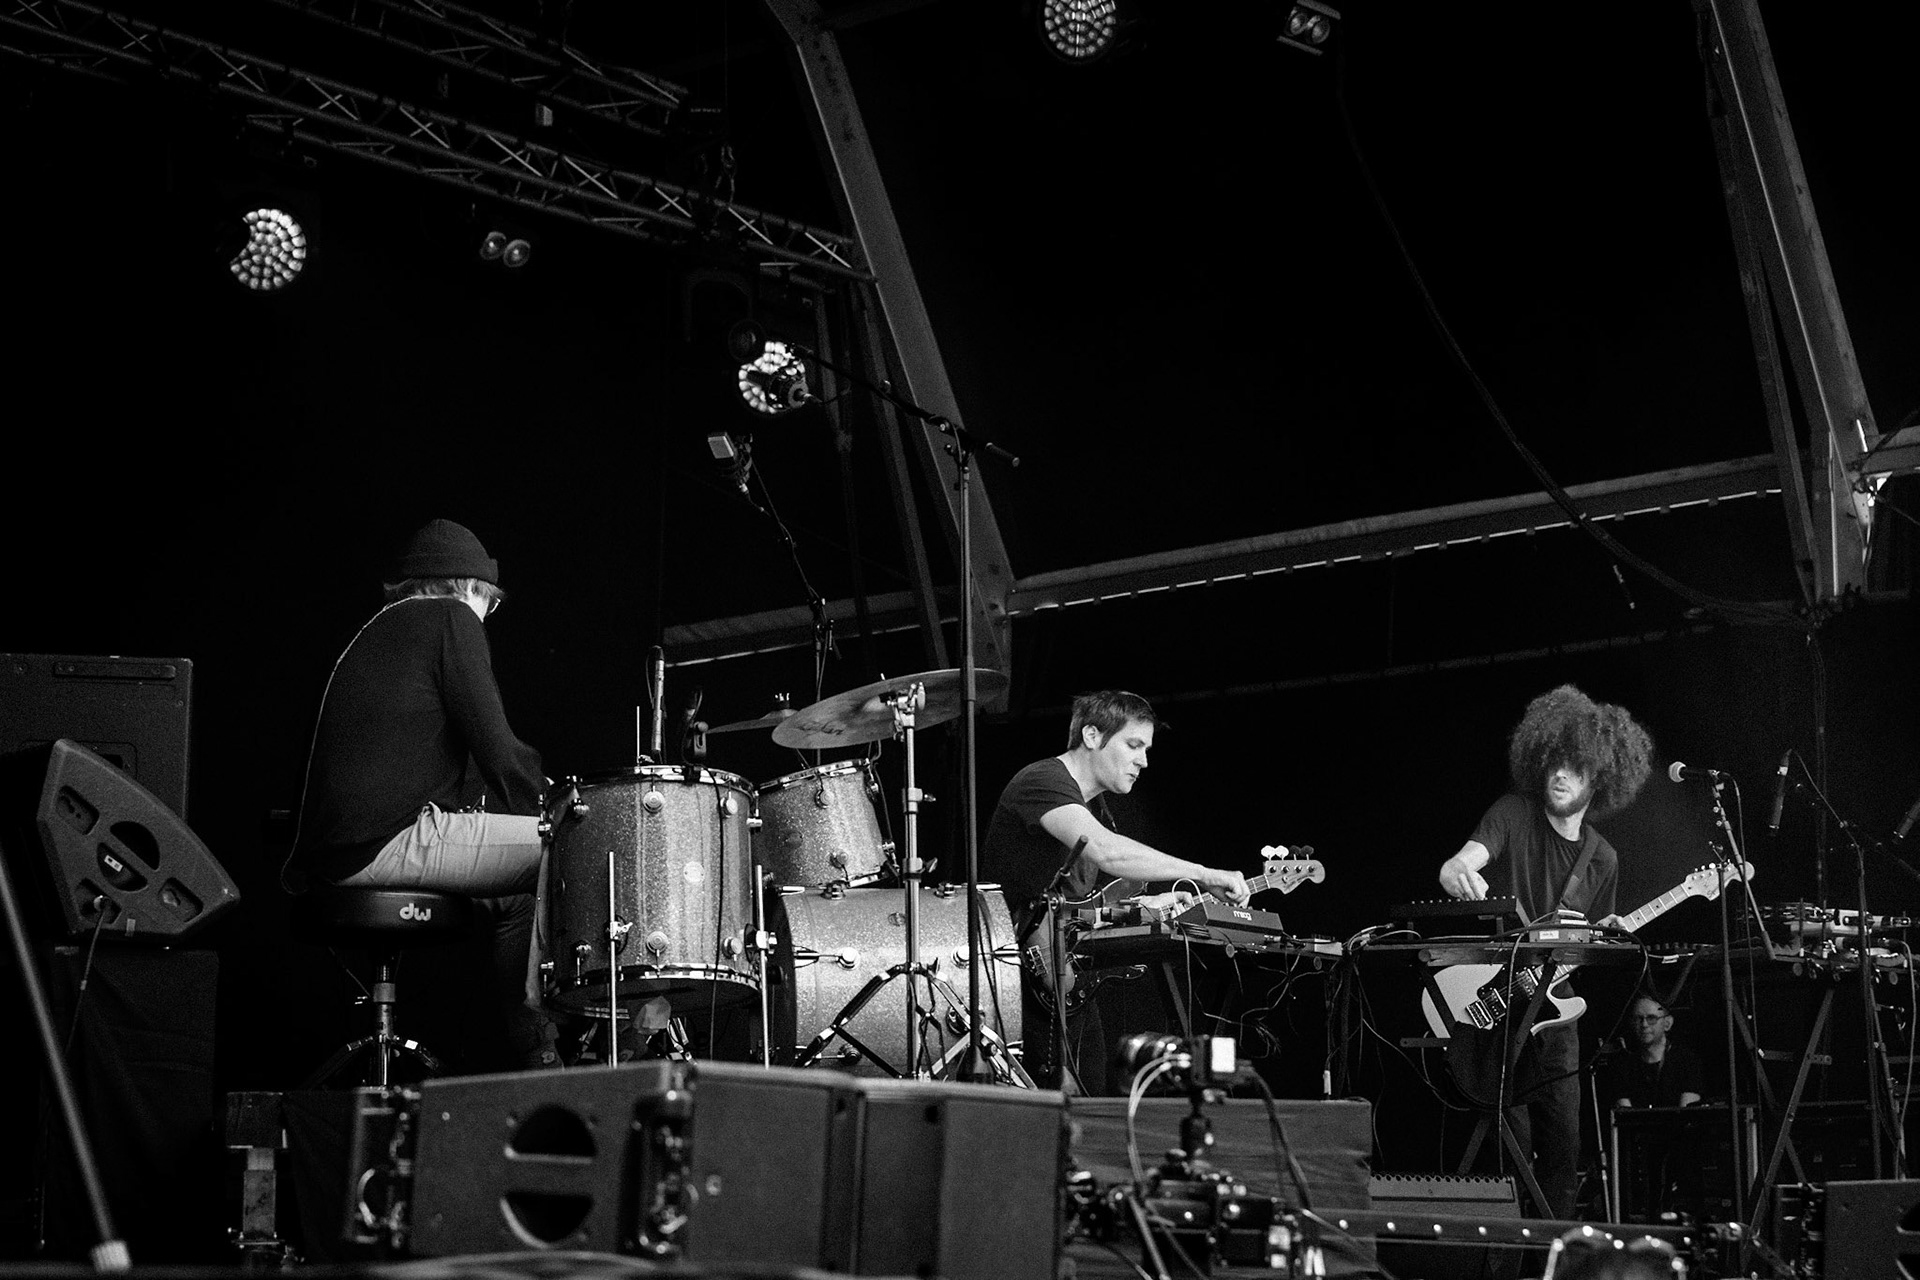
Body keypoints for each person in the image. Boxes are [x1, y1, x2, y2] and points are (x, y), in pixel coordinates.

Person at [289, 518, 555, 1069]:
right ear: (470, 588)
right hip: (384, 843)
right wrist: (563, 806)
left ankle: (538, 1050)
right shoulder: (450, 618)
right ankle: (555, 1057)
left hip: (343, 850)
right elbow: (497, 749)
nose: (487, 615)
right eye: (489, 602)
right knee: (572, 848)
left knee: (517, 899)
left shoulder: (382, 629)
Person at [1435, 683, 1654, 1219]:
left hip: (1557, 1013)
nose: (1561, 775)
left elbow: (1585, 942)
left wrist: (1606, 938)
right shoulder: (1514, 811)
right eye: (1554, 762)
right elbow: (1456, 864)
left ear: (1598, 777)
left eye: (1576, 768)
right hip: (1500, 1001)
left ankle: (1552, 1260)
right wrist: (1458, 870)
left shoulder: (1603, 858)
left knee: (1563, 1149)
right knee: (1506, 1147)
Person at [981, 690, 1251, 1094]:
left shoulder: (1096, 809)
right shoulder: (1042, 781)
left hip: (1065, 982)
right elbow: (1106, 851)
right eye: (1134, 744)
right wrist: (1203, 873)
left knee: (1089, 1103)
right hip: (1015, 982)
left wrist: (1141, 906)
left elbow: (1073, 905)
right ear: (1091, 735)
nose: (1143, 760)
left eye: (1145, 748)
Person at [1605, 995, 1704, 1109]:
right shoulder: (1625, 1066)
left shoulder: (1687, 1062)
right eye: (1638, 1018)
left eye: (1651, 1018)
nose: (1644, 1024)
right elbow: (1626, 1117)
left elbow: (1687, 1114)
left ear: (1667, 1023)